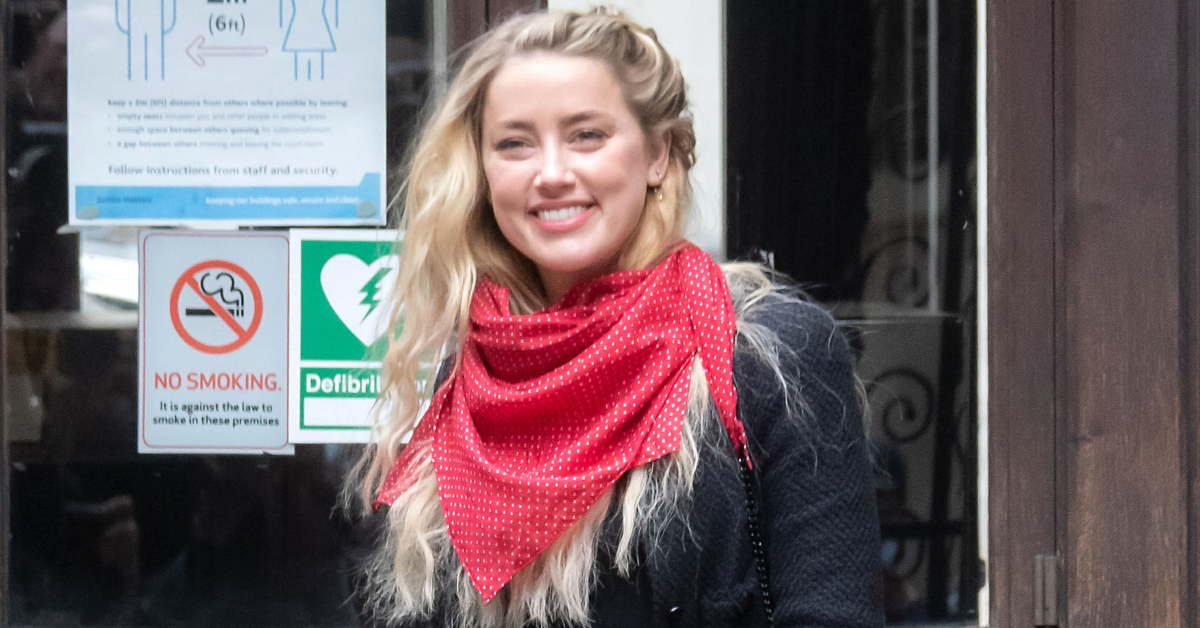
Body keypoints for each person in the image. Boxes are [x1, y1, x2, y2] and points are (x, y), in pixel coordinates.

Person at [353, 7, 882, 628]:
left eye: (586, 135)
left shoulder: (769, 356)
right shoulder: (471, 376)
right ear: (483, 171)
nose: (551, 174)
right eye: (515, 143)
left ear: (657, 155)